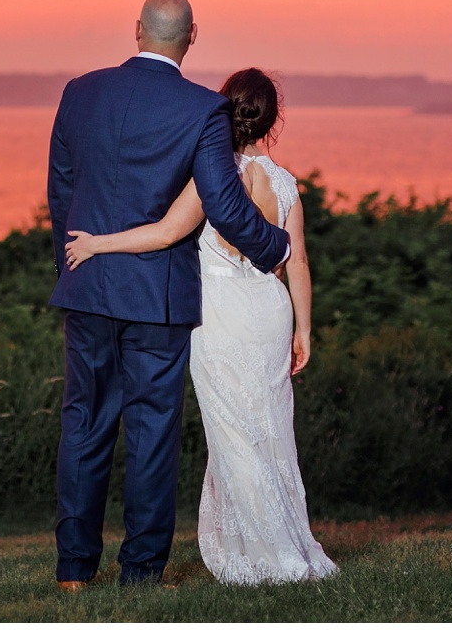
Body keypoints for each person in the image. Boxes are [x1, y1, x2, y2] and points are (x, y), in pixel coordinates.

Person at [47, 0, 290, 589]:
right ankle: (140, 573)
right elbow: (225, 204)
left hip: (87, 286)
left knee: (83, 424)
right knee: (152, 433)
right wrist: (275, 248)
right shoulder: (202, 109)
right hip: (155, 298)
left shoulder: (79, 92)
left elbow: (60, 191)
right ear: (192, 36)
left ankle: (74, 572)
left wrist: (72, 267)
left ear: (137, 31)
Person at [63, 68, 338, 585]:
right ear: (271, 122)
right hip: (271, 312)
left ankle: (264, 554)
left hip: (222, 316)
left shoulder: (213, 174)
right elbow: (296, 262)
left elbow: (166, 232)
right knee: (272, 432)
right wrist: (305, 330)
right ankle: (284, 543)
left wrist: (98, 243)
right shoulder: (285, 183)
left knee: (235, 431)